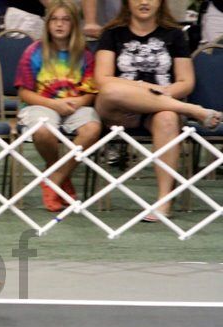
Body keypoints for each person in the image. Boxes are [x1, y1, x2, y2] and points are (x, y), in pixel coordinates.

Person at [94, 0, 222, 222]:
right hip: (117, 110)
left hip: (158, 110)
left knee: (167, 119)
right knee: (110, 89)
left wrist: (157, 97)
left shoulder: (174, 34)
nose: (144, 2)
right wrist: (147, 89)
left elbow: (185, 82)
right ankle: (190, 109)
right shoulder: (112, 33)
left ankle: (164, 201)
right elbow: (102, 80)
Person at [15, 0, 102, 212]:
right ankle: (61, 177)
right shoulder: (33, 52)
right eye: (54, 19)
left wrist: (78, 103)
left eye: (65, 20)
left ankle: (55, 177)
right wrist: (53, 104)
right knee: (43, 130)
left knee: (92, 128)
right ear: (47, 24)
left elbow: (91, 92)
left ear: (74, 24)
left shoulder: (85, 54)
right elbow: (24, 92)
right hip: (41, 104)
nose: (59, 25)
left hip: (75, 105)